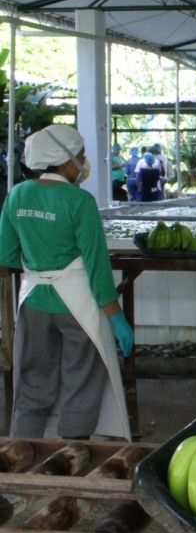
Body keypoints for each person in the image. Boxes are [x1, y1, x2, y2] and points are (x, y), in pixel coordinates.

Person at [0, 124, 132, 441]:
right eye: (82, 156)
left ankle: (22, 458)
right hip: (77, 306)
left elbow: (5, 258)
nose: (84, 163)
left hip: (32, 303)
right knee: (81, 380)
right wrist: (116, 317)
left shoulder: (16, 195)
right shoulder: (79, 202)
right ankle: (72, 457)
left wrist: (38, 259)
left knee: (32, 385)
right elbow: (98, 267)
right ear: (65, 159)